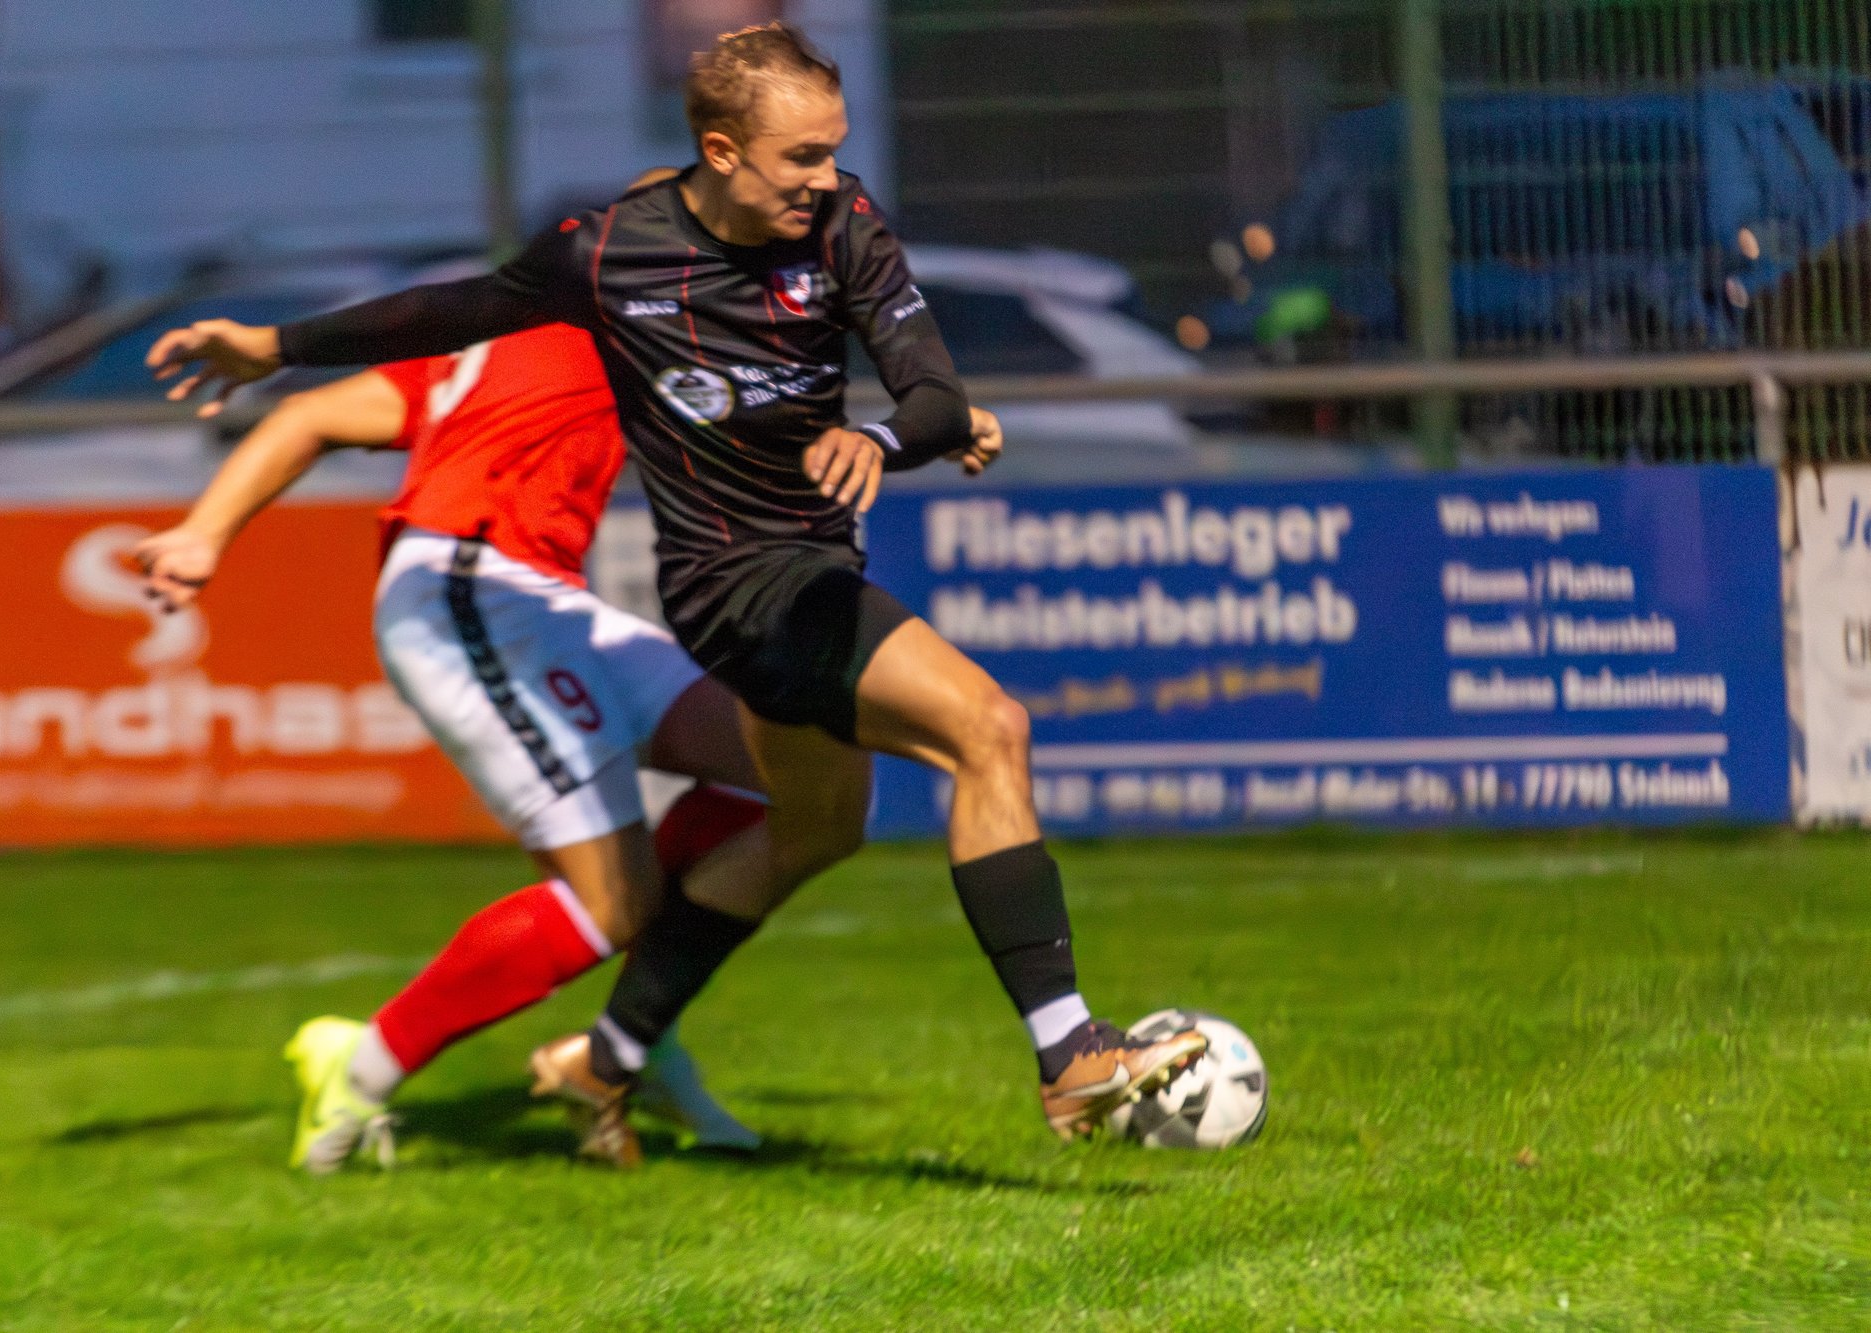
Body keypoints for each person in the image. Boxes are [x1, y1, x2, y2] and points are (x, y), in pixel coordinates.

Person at [147, 22, 1204, 1158]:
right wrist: (270, 348)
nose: (824, 179)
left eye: (829, 152)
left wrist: (901, 437)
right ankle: (1070, 1055)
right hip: (659, 586)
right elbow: (444, 310)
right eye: (797, 157)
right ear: (718, 153)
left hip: (744, 579)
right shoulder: (598, 273)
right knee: (984, 730)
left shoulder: (843, 222)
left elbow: (931, 393)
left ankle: (605, 1058)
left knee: (808, 826)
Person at [136, 324, 767, 1171]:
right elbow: (313, 414)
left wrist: (205, 530)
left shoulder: (504, 338)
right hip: (476, 587)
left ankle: (630, 1037)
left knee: (792, 775)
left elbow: (309, 415)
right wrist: (203, 533)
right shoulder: (600, 314)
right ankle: (360, 1064)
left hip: (538, 598)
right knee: (608, 903)